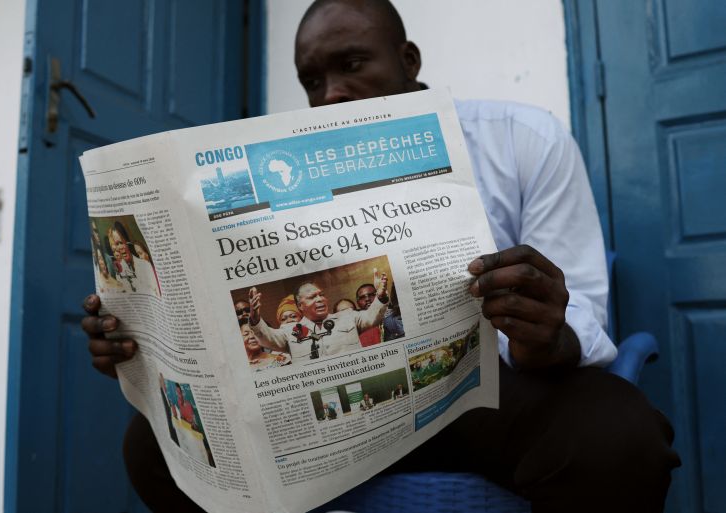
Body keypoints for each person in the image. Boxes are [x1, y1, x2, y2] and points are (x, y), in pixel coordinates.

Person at [82, 1, 679, 511]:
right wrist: (147, 353)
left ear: (409, 61)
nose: (331, 93)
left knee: (619, 439)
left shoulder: (524, 139)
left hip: (487, 396)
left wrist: (544, 335)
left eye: (352, 65)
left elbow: (584, 318)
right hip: (334, 413)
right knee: (157, 447)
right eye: (312, 81)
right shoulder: (279, 174)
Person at [247, 269, 389, 361]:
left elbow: (372, 318)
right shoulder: (290, 331)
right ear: (300, 306)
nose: (320, 299)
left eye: (321, 295)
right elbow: (267, 338)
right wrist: (255, 318)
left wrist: (380, 296)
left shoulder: (348, 317)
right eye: (312, 297)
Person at [108, 222, 160, 297]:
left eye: (121, 242)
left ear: (127, 241)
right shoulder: (119, 274)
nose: (120, 247)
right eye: (117, 244)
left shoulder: (145, 264)